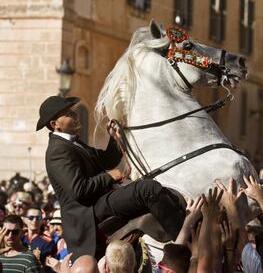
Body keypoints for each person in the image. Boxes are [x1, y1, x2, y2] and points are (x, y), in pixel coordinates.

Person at [36, 95, 185, 261]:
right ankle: (183, 246)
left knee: (151, 186)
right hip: (90, 211)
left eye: (73, 111)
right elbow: (79, 190)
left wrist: (114, 137)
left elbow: (107, 159)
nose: (75, 115)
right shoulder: (58, 150)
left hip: (102, 200)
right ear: (55, 125)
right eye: (68, 114)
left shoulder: (73, 143)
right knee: (147, 189)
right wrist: (109, 176)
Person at [22, 205, 57, 270]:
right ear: (25, 220)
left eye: (38, 218)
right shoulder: (20, 239)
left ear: (42, 221)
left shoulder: (48, 242)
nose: (35, 221)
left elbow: (48, 268)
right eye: (31, 217)